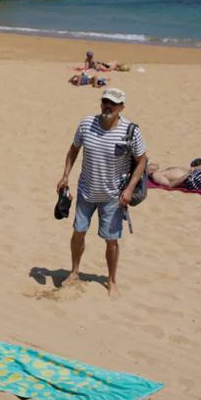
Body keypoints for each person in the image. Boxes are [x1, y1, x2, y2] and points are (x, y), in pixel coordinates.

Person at [55, 88, 146, 295]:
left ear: (121, 107)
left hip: (113, 196)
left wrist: (130, 189)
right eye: (105, 101)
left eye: (113, 103)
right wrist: (65, 175)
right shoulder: (87, 124)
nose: (108, 106)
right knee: (78, 232)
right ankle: (75, 271)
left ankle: (112, 280)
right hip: (86, 191)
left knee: (111, 240)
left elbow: (142, 161)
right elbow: (73, 149)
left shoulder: (131, 131)